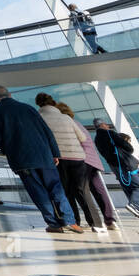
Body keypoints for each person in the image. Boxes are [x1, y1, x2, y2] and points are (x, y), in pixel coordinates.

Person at [0, 86, 81, 233]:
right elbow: (46, 131)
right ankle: (70, 221)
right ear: (9, 94)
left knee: (38, 192)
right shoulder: (28, 108)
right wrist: (55, 153)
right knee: (56, 187)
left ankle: (54, 224)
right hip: (44, 155)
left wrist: (8, 149)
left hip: (21, 160)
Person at [37, 94, 103, 231]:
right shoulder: (66, 117)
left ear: (39, 105)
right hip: (77, 158)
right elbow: (82, 137)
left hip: (58, 159)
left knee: (66, 193)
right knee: (83, 191)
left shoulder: (40, 119)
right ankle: (96, 224)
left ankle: (74, 222)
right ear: (53, 103)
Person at [59, 104, 115, 230]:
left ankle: (88, 222)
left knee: (79, 191)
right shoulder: (78, 123)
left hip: (81, 160)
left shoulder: (66, 123)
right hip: (93, 161)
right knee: (99, 191)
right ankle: (110, 220)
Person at [94, 118, 139, 221]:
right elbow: (128, 147)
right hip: (126, 164)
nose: (108, 126)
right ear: (102, 125)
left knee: (132, 189)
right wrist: (128, 148)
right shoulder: (110, 133)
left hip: (115, 167)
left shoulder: (96, 139)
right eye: (106, 124)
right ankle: (135, 206)